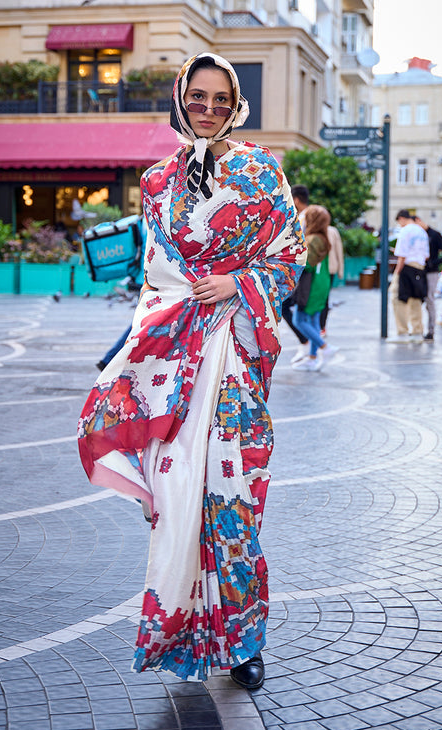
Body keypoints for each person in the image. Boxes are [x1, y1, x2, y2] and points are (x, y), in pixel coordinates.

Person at [77, 52, 307, 689]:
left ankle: (242, 643)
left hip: (234, 358)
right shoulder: (155, 182)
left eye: (221, 101)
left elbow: (290, 255)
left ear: (237, 108)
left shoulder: (264, 172)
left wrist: (237, 281)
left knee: (233, 500)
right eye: (198, 97)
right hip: (175, 362)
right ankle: (179, 628)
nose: (209, 109)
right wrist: (156, 331)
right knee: (179, 501)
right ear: (182, 99)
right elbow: (156, 275)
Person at [291, 205, 338, 371]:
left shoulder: (312, 239)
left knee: (299, 319)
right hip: (321, 283)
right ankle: (312, 358)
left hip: (311, 285)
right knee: (314, 321)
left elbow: (306, 265)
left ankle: (324, 347)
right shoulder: (322, 237)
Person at [386, 210, 429, 343]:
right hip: (420, 268)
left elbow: (402, 255)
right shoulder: (421, 231)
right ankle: (417, 332)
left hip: (407, 267)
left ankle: (402, 332)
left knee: (399, 299)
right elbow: (427, 255)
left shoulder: (405, 231)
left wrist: (397, 273)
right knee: (415, 299)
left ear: (401, 218)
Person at [283, 184, 310, 364]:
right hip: (307, 272)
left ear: (296, 199)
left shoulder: (303, 218)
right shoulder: (309, 215)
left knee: (288, 306)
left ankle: (307, 343)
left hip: (302, 272)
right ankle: (309, 345)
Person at [414, 216, 442, 340]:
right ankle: (418, 328)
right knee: (417, 300)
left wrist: (433, 263)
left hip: (431, 272)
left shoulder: (434, 235)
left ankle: (431, 330)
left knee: (430, 300)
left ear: (419, 221)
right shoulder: (418, 235)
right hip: (419, 271)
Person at [320, 222, 344, 334]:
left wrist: (340, 270)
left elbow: (339, 251)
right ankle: (317, 326)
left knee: (324, 298)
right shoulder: (311, 229)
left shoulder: (332, 231)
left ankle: (322, 326)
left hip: (329, 269)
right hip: (318, 270)